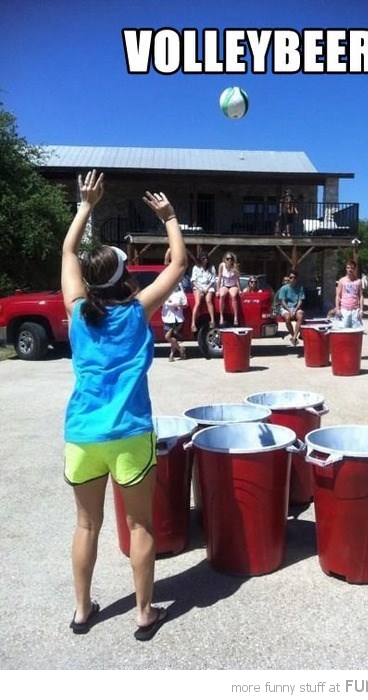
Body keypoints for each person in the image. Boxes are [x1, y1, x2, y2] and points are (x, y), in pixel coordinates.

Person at [61, 170, 187, 642]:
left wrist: (86, 205)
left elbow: (69, 253)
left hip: (82, 436)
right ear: (124, 277)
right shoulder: (138, 311)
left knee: (86, 524)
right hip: (131, 435)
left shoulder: (77, 311)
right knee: (140, 525)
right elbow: (179, 262)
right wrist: (170, 216)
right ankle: (143, 613)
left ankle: (81, 611)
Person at [327, 259, 364, 328]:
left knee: (356, 330)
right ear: (346, 269)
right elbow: (338, 296)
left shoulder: (358, 281)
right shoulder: (342, 281)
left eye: (352, 268)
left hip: (355, 310)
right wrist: (337, 309)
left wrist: (361, 310)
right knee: (343, 330)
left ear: (354, 269)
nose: (350, 270)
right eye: (348, 268)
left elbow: (361, 296)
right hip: (344, 309)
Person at [190, 251, 216, 332]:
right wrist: (200, 288)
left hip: (209, 286)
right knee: (197, 302)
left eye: (205, 258)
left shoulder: (212, 268)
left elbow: (213, 280)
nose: (204, 260)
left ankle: (212, 320)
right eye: (202, 258)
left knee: (208, 300)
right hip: (198, 286)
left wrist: (207, 288)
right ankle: (193, 323)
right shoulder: (196, 268)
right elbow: (193, 280)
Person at [278, 270, 305, 345]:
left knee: (301, 315)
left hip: (296, 307)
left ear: (297, 278)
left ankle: (294, 336)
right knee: (287, 317)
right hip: (286, 307)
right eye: (291, 277)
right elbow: (282, 301)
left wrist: (295, 310)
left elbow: (300, 301)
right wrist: (289, 311)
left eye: (294, 277)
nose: (292, 279)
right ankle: (293, 336)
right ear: (289, 278)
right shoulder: (284, 288)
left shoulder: (300, 288)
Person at [162, 282, 188, 361]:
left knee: (169, 336)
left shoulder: (181, 294)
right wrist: (167, 300)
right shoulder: (166, 293)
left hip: (177, 319)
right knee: (171, 337)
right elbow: (161, 301)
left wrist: (179, 305)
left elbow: (186, 305)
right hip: (168, 317)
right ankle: (180, 350)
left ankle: (172, 354)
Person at [216, 251, 241, 326]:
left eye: (231, 259)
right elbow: (219, 278)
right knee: (222, 295)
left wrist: (240, 290)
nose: (229, 260)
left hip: (233, 285)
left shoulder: (235, 266)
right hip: (224, 285)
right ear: (225, 259)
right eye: (228, 259)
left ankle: (235, 317)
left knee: (233, 295)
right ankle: (221, 316)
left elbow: (237, 279)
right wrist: (217, 289)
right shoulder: (221, 266)